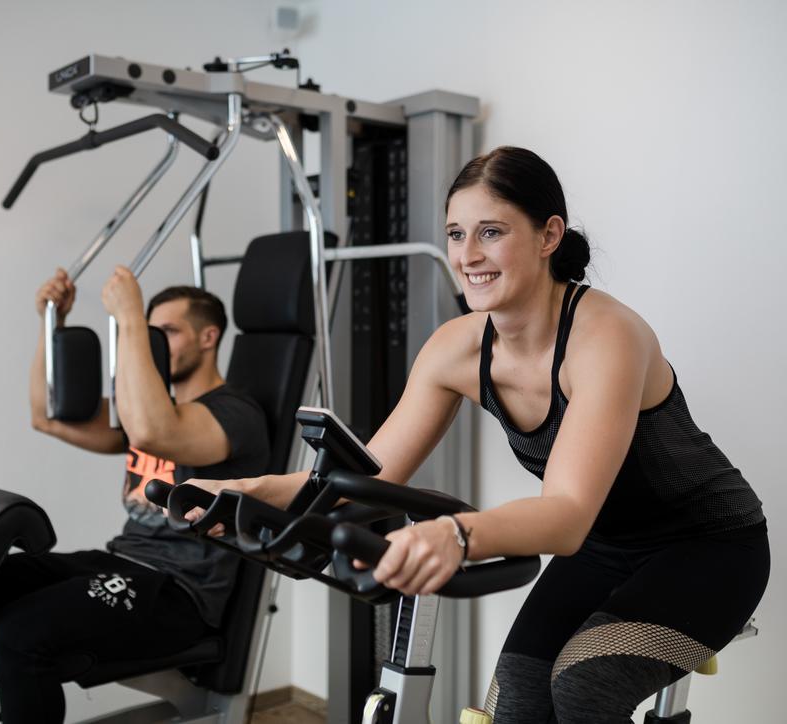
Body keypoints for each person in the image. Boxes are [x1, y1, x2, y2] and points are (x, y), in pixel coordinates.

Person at [187, 147, 769, 723]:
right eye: (456, 234)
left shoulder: (607, 337)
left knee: (585, 686)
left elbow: (565, 514)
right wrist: (251, 492)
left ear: (548, 237)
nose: (468, 256)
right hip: (604, 549)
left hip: (710, 548)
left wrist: (457, 535)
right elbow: (374, 474)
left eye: (491, 232)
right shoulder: (456, 348)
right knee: (517, 701)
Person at [0, 266, 269, 724]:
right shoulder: (153, 412)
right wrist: (52, 323)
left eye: (167, 332)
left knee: (19, 637)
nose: (156, 342)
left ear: (208, 337)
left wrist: (130, 320)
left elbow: (153, 429)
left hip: (179, 593)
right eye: (151, 332)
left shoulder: (233, 413)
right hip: (120, 562)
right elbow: (47, 415)